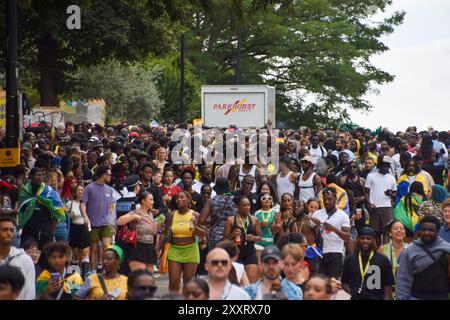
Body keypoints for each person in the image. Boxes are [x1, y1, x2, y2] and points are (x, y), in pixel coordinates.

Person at [18, 167, 66, 267]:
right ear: (30, 176)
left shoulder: (48, 192)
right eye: (36, 175)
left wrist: (51, 232)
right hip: (28, 231)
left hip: (45, 232)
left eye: (41, 175)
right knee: (26, 260)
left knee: (45, 261)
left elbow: (57, 213)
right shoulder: (25, 192)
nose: (39, 177)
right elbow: (20, 212)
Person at [395, 216, 450, 300]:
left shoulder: (446, 250)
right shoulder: (410, 251)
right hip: (416, 297)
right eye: (424, 230)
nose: (427, 232)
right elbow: (403, 280)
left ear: (437, 231)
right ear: (419, 230)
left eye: (431, 230)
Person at [160, 191, 204, 293]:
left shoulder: (195, 214)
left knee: (189, 283)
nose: (178, 199)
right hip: (175, 250)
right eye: (176, 198)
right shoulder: (171, 215)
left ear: (188, 199)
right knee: (173, 282)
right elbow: (165, 234)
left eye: (181, 197)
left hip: (191, 250)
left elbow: (203, 234)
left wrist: (195, 226)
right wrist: (158, 249)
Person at [341, 227, 395, 300]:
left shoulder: (383, 260)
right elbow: (344, 282)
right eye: (362, 238)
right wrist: (353, 293)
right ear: (358, 240)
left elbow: (388, 285)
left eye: (368, 238)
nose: (365, 241)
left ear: (373, 240)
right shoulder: (350, 259)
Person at [80, 165, 115, 273]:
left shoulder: (110, 189)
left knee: (107, 246)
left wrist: (113, 223)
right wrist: (85, 217)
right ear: (103, 175)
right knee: (93, 249)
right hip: (93, 223)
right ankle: (94, 272)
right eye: (109, 174)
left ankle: (107, 270)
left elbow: (112, 208)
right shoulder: (89, 188)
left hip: (106, 223)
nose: (110, 176)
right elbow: (82, 204)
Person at [312, 187, 350, 279]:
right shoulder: (316, 214)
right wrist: (315, 226)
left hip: (335, 252)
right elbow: (311, 236)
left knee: (332, 283)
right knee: (320, 282)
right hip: (319, 252)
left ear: (335, 199)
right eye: (325, 200)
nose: (327, 202)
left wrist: (334, 229)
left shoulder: (343, 215)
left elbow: (347, 237)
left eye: (329, 199)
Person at [117, 192, 158, 273]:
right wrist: (134, 217)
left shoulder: (150, 214)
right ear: (143, 201)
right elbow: (119, 221)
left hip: (150, 249)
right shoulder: (135, 212)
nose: (153, 202)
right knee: (139, 278)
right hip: (138, 248)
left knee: (149, 279)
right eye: (151, 200)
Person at [223, 196, 261, 283]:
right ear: (238, 207)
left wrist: (253, 238)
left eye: (249, 205)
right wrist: (232, 234)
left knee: (251, 283)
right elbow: (224, 240)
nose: (248, 207)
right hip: (235, 254)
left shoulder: (255, 220)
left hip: (250, 253)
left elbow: (260, 238)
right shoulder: (231, 220)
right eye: (244, 205)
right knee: (236, 282)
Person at [0, 217, 35, 300]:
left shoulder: (25, 260)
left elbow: (29, 292)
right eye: (4, 230)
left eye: (11, 230)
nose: (9, 233)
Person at [365, 155, 397, 245]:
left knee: (387, 231)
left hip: (387, 207)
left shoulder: (391, 178)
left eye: (387, 165)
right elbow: (366, 191)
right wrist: (369, 203)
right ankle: (378, 249)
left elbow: (395, 193)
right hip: (375, 207)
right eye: (384, 165)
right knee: (376, 232)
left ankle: (386, 249)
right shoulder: (371, 176)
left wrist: (390, 194)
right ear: (379, 164)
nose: (386, 167)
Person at [199, 177, 236, 250]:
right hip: (231, 235)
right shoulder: (236, 200)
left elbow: (201, 220)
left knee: (214, 259)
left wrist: (212, 222)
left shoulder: (212, 201)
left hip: (215, 236)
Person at [67, 185, 90, 278]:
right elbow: (63, 214)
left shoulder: (88, 203)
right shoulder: (70, 203)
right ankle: (74, 277)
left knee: (85, 252)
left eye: (82, 190)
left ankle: (84, 276)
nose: (80, 191)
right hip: (74, 229)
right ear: (75, 192)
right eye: (78, 190)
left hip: (84, 228)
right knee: (75, 255)